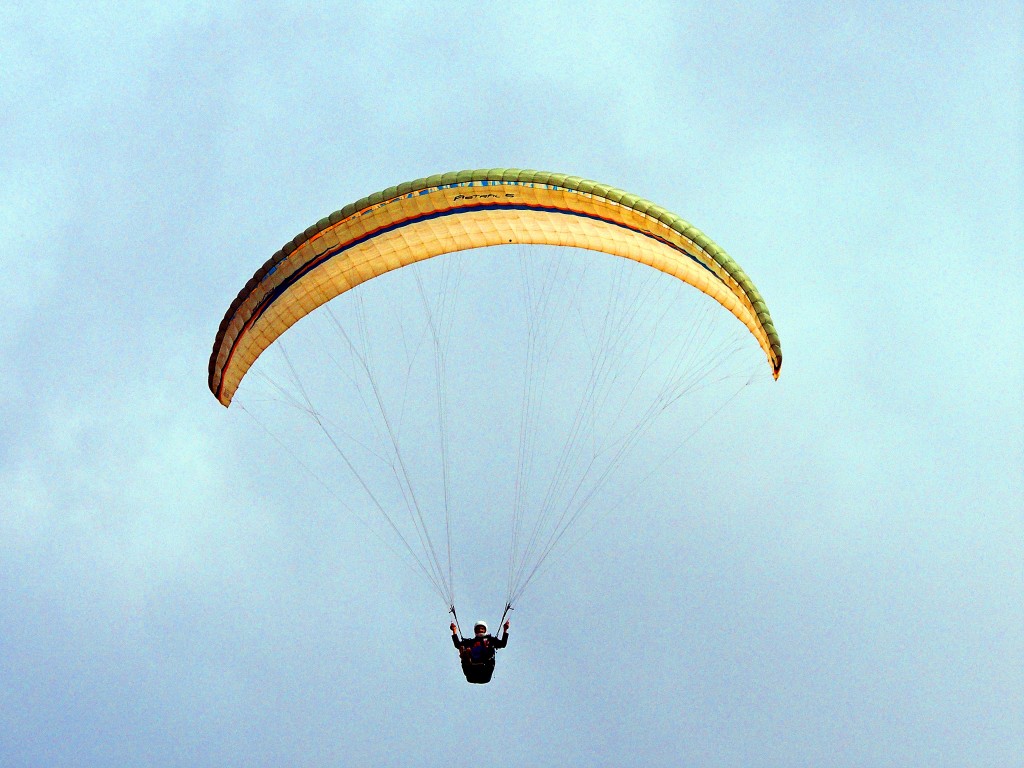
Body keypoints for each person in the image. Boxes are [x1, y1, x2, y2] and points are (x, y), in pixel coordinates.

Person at [450, 619, 510, 684]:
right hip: (471, 673)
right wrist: (454, 631)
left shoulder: (490, 640)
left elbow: (502, 644)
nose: (480, 630)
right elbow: (458, 645)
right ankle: (467, 657)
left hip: (485, 672)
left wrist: (505, 630)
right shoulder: (470, 642)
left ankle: (468, 657)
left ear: (485, 630)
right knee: (465, 648)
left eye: (482, 629)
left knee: (485, 645)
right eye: (478, 629)